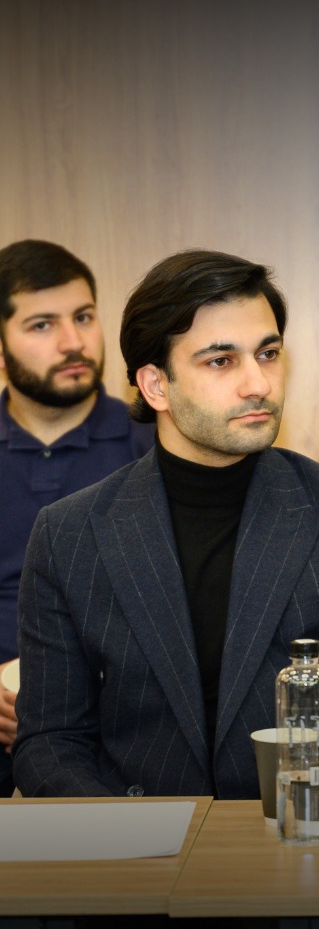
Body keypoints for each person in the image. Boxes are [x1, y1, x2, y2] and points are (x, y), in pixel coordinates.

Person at [12, 249, 319, 929]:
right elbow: (50, 743)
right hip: (135, 875)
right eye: (221, 360)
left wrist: (302, 838)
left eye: (268, 354)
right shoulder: (70, 535)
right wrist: (144, 845)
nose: (258, 383)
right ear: (155, 385)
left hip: (312, 870)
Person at [0, 239, 153, 797]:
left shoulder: (156, 444)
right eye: (42, 325)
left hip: (116, 717)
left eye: (84, 317)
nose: (73, 342)